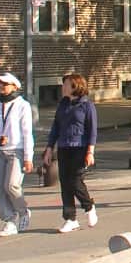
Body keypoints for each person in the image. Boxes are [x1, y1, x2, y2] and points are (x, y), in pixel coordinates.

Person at [42, 73, 98, 233]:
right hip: (64, 147)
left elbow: (92, 130)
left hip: (80, 147)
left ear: (75, 86)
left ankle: (89, 206)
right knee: (65, 183)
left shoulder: (87, 106)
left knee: (75, 181)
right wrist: (49, 148)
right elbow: (56, 127)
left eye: (66, 85)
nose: (63, 87)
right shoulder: (63, 105)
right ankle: (70, 218)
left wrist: (90, 151)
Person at [0, 72, 34, 237]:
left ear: (15, 86)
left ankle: (23, 210)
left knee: (12, 185)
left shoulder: (23, 105)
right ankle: (9, 220)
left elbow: (27, 133)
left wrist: (29, 158)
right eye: (0, 84)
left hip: (17, 150)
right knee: (0, 188)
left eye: (5, 84)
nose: (2, 87)